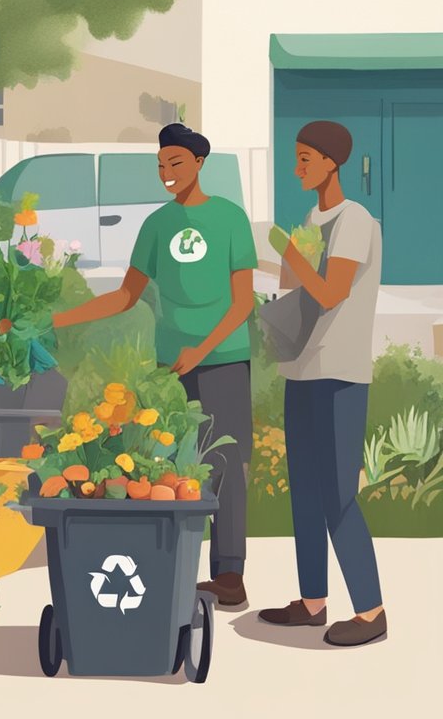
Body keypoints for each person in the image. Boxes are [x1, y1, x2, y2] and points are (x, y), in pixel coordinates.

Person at [53, 123, 257, 606]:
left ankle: (229, 576)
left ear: (200, 163)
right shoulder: (157, 226)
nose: (167, 174)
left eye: (176, 164)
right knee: (170, 465)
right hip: (171, 368)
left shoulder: (230, 219)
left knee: (227, 465)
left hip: (223, 360)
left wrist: (201, 351)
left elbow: (243, 301)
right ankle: (176, 562)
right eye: (161, 166)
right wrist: (63, 317)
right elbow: (127, 295)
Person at [258, 121, 387, 646]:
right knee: (305, 494)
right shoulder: (313, 218)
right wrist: (276, 258)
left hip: (340, 372)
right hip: (304, 368)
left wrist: (289, 252)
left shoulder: (354, 220)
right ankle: (313, 601)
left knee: (337, 495)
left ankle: (372, 611)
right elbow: (299, 286)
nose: (297, 168)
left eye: (306, 158)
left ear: (332, 161)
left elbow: (331, 291)